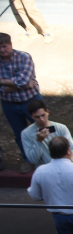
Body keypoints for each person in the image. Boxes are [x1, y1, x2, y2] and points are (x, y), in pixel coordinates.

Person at [0, 32, 43, 171]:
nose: (2, 50)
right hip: (9, 104)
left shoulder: (24, 57)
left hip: (31, 101)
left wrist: (7, 85)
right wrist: (19, 84)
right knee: (20, 134)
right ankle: (28, 159)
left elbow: (25, 80)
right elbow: (25, 83)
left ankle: (47, 158)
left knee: (43, 129)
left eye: (4, 46)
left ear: (11, 45)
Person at [21, 99, 73, 168]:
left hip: (65, 167)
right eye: (37, 117)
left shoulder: (61, 128)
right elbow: (33, 160)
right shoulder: (26, 134)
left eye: (43, 115)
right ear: (31, 116)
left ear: (47, 112)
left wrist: (69, 164)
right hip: (45, 170)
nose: (41, 119)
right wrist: (39, 141)